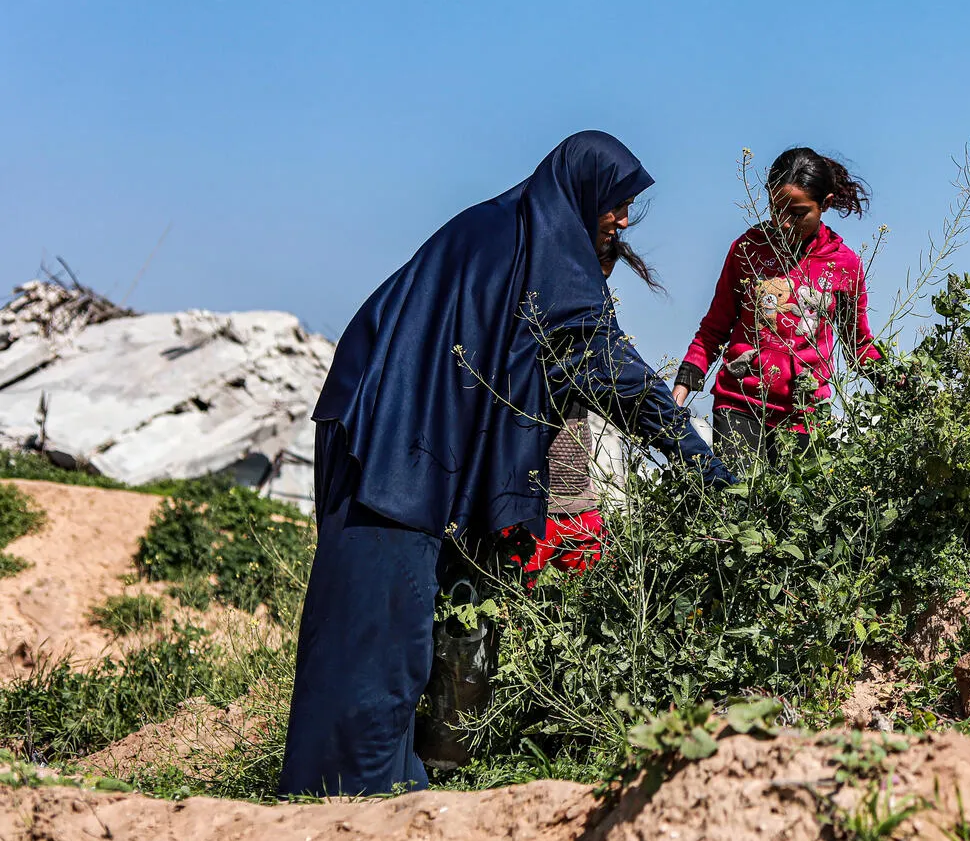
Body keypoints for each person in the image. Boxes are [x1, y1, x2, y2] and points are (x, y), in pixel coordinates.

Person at [279, 131, 724, 798]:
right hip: (393, 449)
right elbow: (612, 371)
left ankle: (371, 795)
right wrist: (700, 463)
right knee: (376, 643)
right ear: (582, 193)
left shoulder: (506, 233)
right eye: (617, 202)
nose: (624, 219)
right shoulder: (542, 255)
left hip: (389, 435)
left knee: (388, 635)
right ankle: (342, 802)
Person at [674, 147, 882, 462]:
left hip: (805, 416)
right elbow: (714, 328)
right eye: (776, 209)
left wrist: (897, 382)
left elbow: (858, 344)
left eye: (797, 213)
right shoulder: (748, 249)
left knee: (797, 496)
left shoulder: (844, 265)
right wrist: (682, 387)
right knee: (738, 494)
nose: (784, 224)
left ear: (824, 205)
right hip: (738, 407)